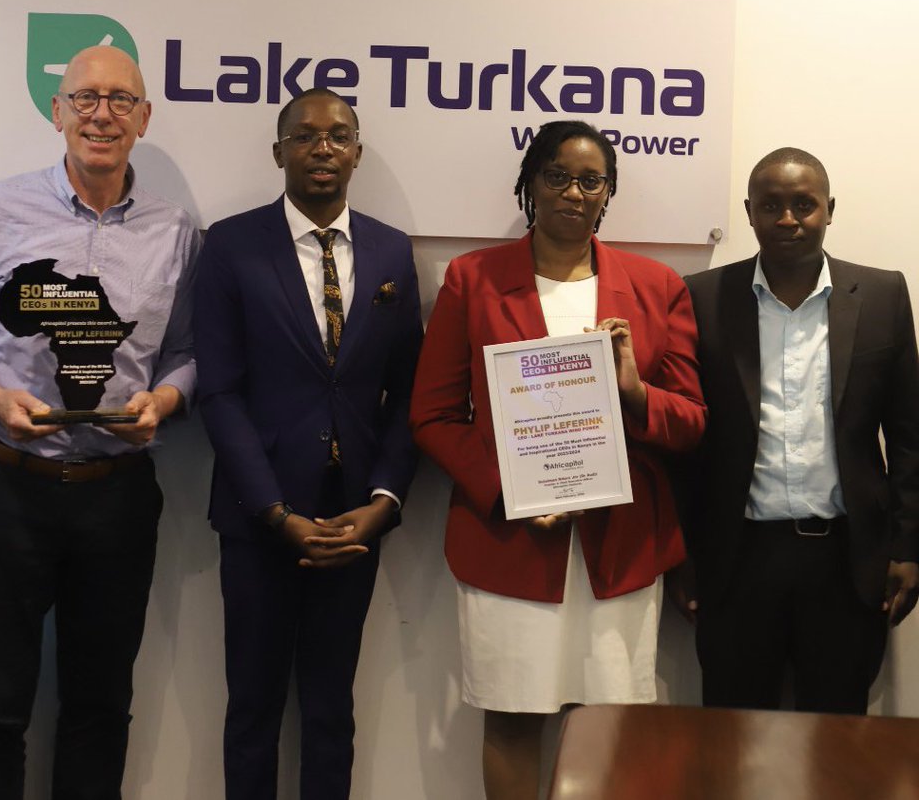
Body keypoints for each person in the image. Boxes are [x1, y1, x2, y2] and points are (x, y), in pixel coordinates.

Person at [0, 45, 198, 800]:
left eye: (119, 99)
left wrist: (163, 401)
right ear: (56, 111)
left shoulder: (176, 235)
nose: (100, 113)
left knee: (101, 706)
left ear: (144, 117)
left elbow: (189, 351)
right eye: (84, 97)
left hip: (118, 492)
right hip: (4, 483)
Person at [409, 119, 705, 800]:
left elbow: (690, 421)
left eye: (590, 179)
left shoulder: (657, 286)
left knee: (606, 726)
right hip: (510, 539)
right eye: (557, 175)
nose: (573, 192)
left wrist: (634, 391)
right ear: (531, 183)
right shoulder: (473, 278)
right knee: (514, 719)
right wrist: (509, 490)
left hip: (620, 545)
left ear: (608, 192)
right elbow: (432, 413)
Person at [194, 88, 423, 800]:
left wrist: (383, 501)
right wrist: (271, 509)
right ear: (279, 152)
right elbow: (220, 390)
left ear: (356, 151)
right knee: (253, 710)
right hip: (261, 516)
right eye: (304, 136)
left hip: (354, 518)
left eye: (338, 135)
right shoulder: (231, 245)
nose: (322, 147)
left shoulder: (389, 249)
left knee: (331, 712)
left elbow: (410, 390)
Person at [677, 147, 919, 713]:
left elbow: (909, 434)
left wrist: (908, 545)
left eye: (803, 205)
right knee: (735, 740)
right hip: (737, 560)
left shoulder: (883, 295)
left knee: (837, 741)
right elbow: (688, 444)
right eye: (771, 205)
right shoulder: (701, 297)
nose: (788, 219)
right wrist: (683, 554)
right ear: (749, 211)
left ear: (829, 209)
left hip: (847, 560)